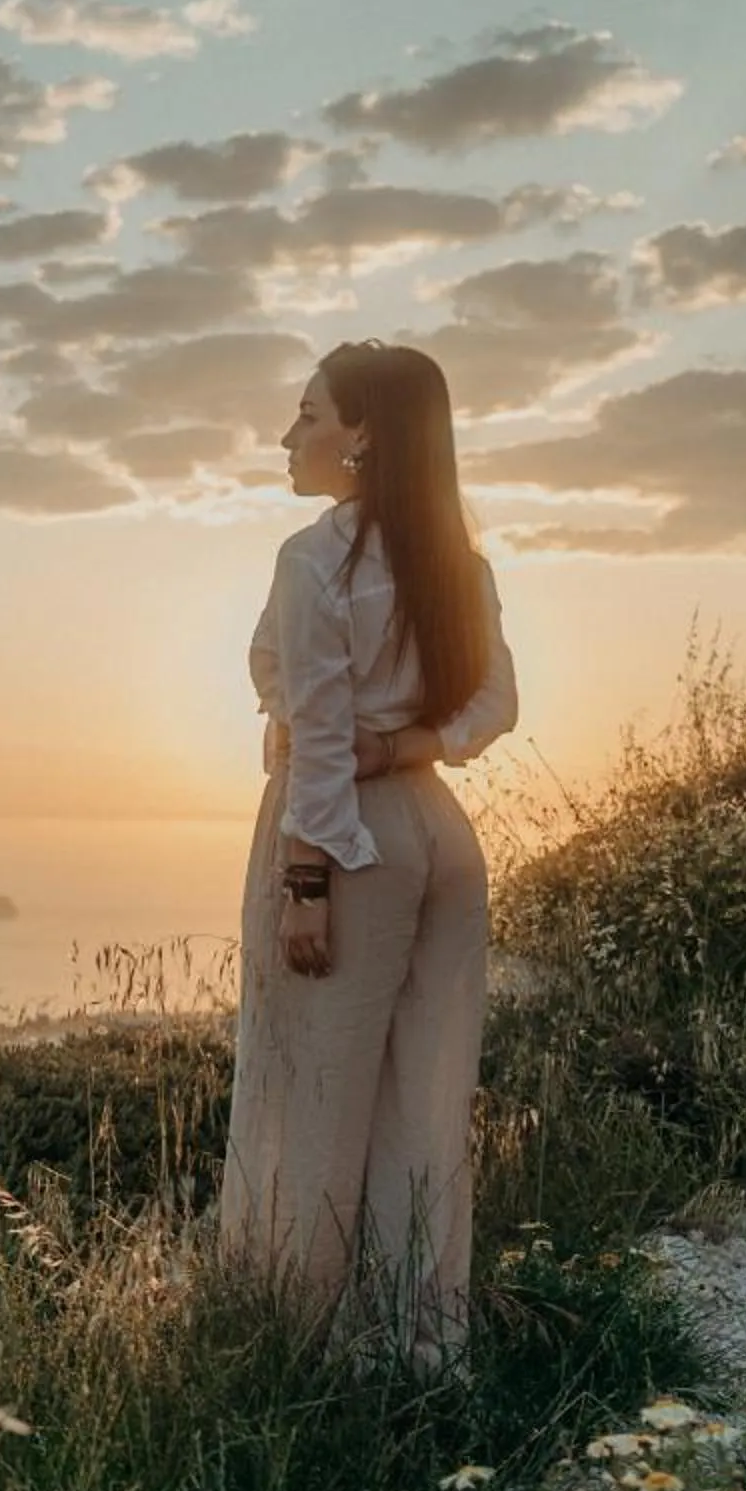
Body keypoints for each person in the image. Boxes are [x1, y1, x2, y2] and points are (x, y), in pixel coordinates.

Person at [221, 339, 519, 1374]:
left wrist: (306, 878)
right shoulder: (455, 564)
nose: (288, 434)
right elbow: (495, 707)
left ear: (364, 437)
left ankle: (292, 1352)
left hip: (341, 839)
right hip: (438, 833)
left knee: (309, 1095)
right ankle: (415, 1344)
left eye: (307, 414)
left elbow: (316, 728)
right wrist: (412, 746)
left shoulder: (315, 560)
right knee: (424, 1097)